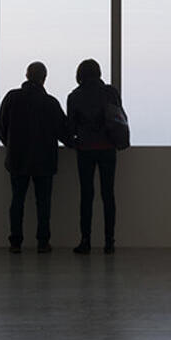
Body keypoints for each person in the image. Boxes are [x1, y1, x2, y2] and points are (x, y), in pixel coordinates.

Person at [0, 61, 72, 254]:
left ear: (27, 75)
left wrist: (11, 145)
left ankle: (15, 242)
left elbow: (1, 127)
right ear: (44, 78)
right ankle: (43, 242)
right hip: (44, 161)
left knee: (17, 200)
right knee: (43, 202)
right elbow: (63, 132)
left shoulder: (12, 98)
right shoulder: (50, 103)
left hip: (17, 158)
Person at [66, 59, 123, 254]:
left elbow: (70, 128)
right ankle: (109, 242)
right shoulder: (111, 92)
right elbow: (119, 117)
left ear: (80, 74)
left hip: (86, 150)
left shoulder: (74, 96)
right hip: (108, 148)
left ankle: (86, 241)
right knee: (108, 195)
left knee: (86, 195)